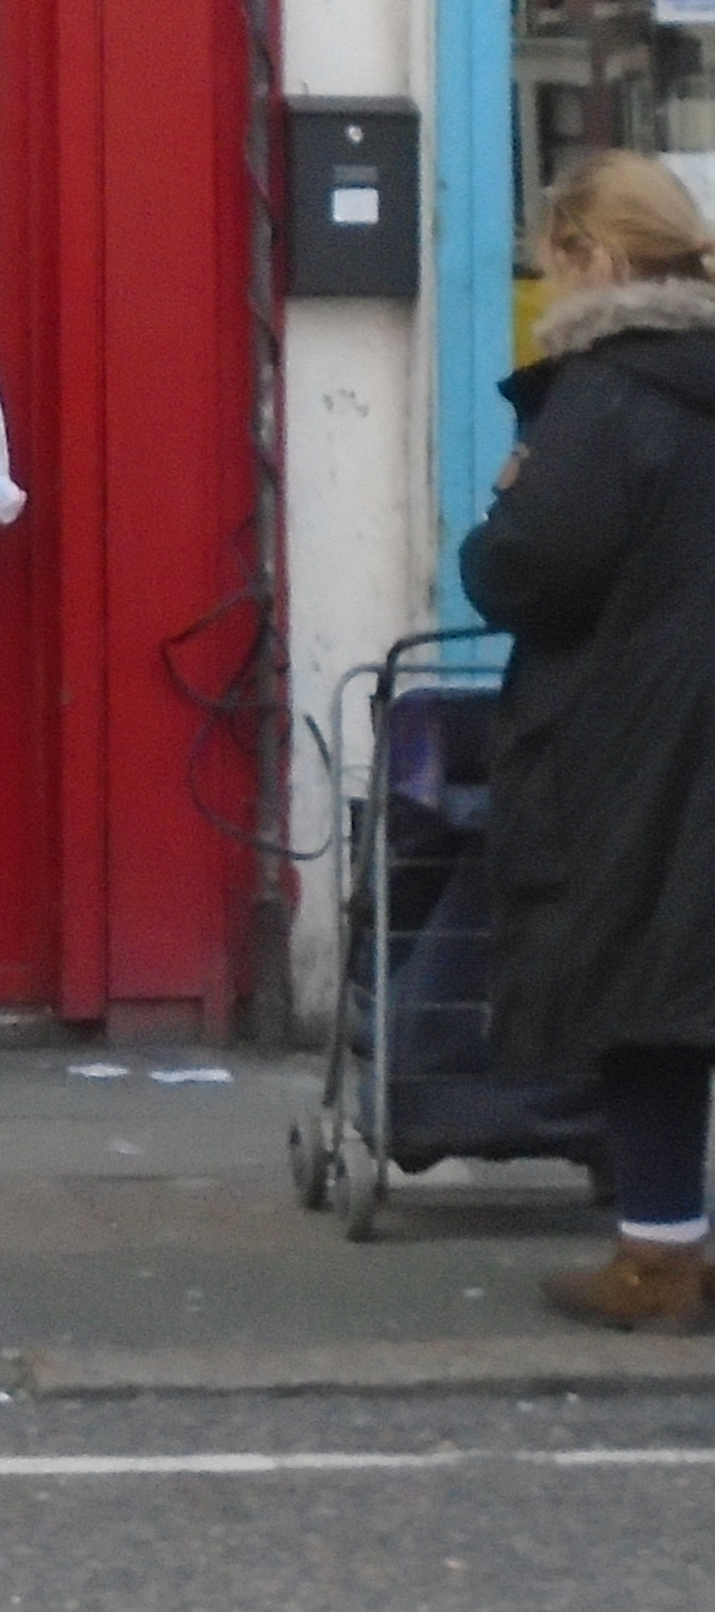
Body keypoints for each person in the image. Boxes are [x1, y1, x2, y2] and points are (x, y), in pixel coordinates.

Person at [458, 149, 715, 1330]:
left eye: (552, 266)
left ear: (595, 260)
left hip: (638, 740)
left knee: (649, 997)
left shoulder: (607, 395)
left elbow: (522, 573)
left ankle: (657, 1258)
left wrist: (508, 503)